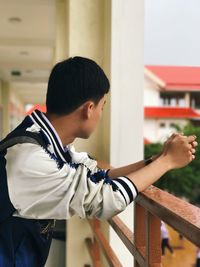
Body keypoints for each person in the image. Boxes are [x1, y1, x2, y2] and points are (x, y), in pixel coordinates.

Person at [0, 56, 197, 267]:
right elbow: (105, 199)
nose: (101, 113)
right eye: (103, 106)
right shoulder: (29, 158)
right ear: (89, 108)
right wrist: (167, 162)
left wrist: (156, 159)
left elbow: (94, 173)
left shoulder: (45, 140)